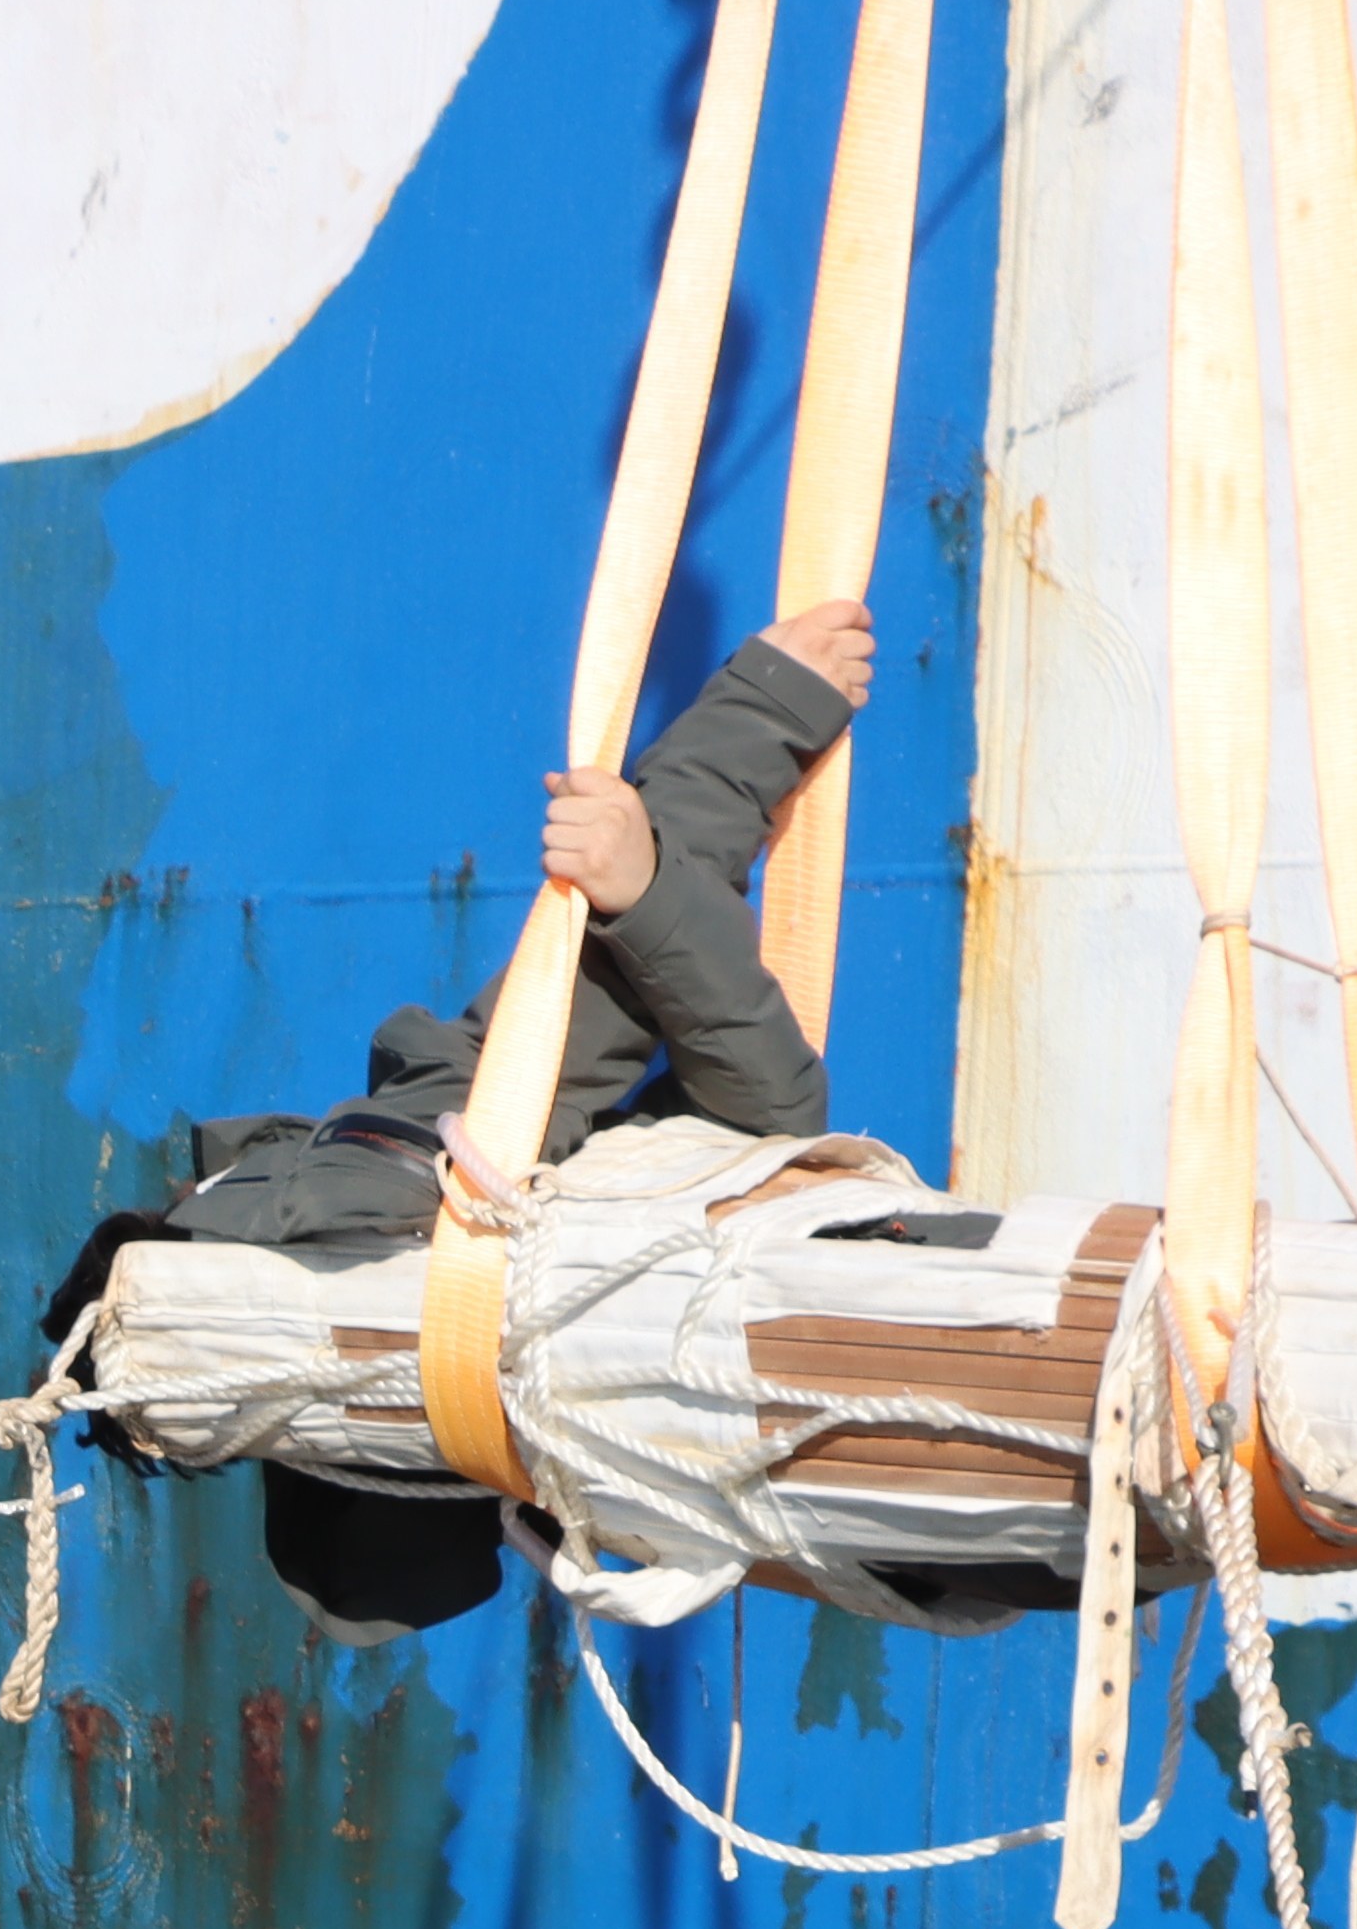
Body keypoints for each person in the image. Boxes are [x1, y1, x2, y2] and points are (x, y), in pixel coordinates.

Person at [144, 600, 875, 1640]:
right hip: (458, 1191)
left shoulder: (403, 1202)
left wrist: (755, 727)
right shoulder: (542, 1262)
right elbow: (768, 1117)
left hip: (421, 1172)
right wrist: (660, 866)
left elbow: (585, 1028)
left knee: (540, 1064)